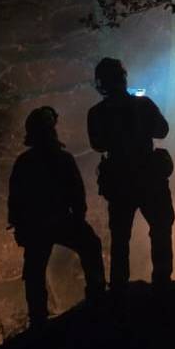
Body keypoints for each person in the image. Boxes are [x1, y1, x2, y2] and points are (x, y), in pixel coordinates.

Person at [8, 106, 105, 328]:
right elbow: (77, 193)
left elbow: (15, 200)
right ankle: (97, 296)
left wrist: (20, 227)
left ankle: (38, 318)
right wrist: (79, 218)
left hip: (37, 225)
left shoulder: (24, 162)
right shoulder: (62, 158)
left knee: (34, 270)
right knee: (90, 245)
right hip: (59, 221)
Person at [87, 57, 175, 291]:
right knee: (161, 227)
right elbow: (163, 130)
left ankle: (119, 288)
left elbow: (97, 144)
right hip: (148, 176)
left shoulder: (96, 113)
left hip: (119, 181)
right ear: (123, 78)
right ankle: (162, 282)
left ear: (101, 83)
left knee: (120, 237)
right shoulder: (142, 104)